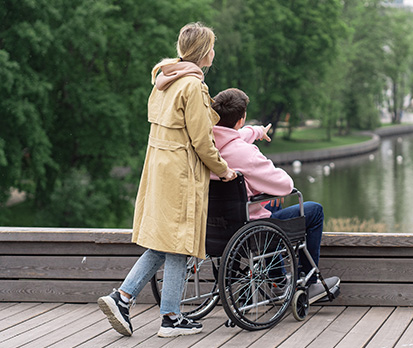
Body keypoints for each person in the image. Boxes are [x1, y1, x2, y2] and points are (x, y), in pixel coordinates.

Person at [97, 22, 237, 338]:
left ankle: (131, 300)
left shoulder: (163, 83)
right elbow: (202, 141)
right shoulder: (193, 87)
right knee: (178, 242)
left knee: (169, 242)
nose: (214, 52)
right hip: (182, 174)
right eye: (212, 47)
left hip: (160, 171)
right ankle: (163, 315)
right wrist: (224, 169)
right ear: (204, 52)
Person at [210, 88, 339, 304]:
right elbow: (285, 185)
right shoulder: (246, 154)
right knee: (314, 210)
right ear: (240, 119)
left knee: (272, 207)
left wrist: (256, 131)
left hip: (216, 230)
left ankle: (278, 280)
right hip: (251, 232)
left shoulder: (205, 146)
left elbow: (233, 135)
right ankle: (309, 282)